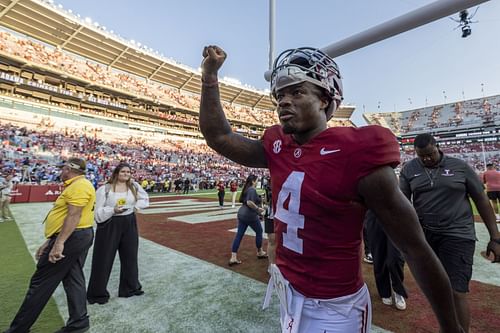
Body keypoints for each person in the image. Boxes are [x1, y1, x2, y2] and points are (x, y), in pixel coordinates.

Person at [199, 45, 466, 333]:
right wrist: (209, 78)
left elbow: (415, 249)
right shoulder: (278, 145)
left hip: (335, 307)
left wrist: (451, 327)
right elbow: (219, 136)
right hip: (289, 294)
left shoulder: (355, 152)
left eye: (297, 92)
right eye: (280, 95)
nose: (284, 102)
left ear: (325, 99)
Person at [400, 133, 500, 332]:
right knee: (438, 290)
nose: (427, 159)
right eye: (422, 156)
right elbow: (402, 203)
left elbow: (480, 199)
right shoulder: (409, 169)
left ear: (437, 147)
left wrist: (495, 237)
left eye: (430, 154)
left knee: (456, 291)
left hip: (458, 235)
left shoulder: (459, 167)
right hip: (426, 237)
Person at [5, 157, 95, 333]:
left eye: (63, 168)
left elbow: (74, 216)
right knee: (73, 279)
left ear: (69, 168)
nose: (61, 171)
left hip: (72, 237)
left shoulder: (79, 186)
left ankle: (18, 329)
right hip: (75, 236)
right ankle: (79, 322)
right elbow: (66, 217)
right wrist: (50, 241)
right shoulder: (77, 185)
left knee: (41, 282)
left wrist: (59, 242)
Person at [87, 163, 149, 305]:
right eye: (123, 171)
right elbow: (97, 212)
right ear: (116, 173)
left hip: (129, 222)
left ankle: (130, 288)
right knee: (103, 258)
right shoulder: (105, 189)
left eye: (128, 171)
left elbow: (144, 199)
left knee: (130, 256)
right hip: (110, 224)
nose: (126, 174)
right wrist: (112, 210)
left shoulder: (133, 187)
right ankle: (97, 293)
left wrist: (136, 207)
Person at [364, 210, 408, 310]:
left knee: (395, 258)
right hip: (374, 215)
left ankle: (398, 291)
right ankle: (384, 291)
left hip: (395, 214)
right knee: (379, 256)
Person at [228, 174, 267, 266]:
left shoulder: (247, 188)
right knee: (259, 231)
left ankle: (233, 257)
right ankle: (260, 251)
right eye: (257, 180)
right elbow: (249, 202)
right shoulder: (252, 189)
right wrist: (258, 209)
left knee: (239, 235)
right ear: (253, 181)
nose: (258, 182)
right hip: (249, 215)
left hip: (241, 213)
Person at [263, 177, 276, 264]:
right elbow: (266, 202)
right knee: (272, 240)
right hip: (270, 215)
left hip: (279, 215)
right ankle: (272, 265)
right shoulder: (268, 187)